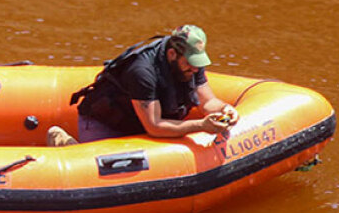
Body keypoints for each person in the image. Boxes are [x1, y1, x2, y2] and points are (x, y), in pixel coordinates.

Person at [47, 24, 239, 146]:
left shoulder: (191, 64)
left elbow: (207, 102)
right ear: (172, 54)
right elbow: (154, 126)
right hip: (107, 123)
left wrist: (225, 109)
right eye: (190, 62)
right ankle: (66, 144)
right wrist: (201, 125)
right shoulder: (142, 71)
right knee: (98, 174)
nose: (195, 69)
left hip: (140, 123)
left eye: (197, 63)